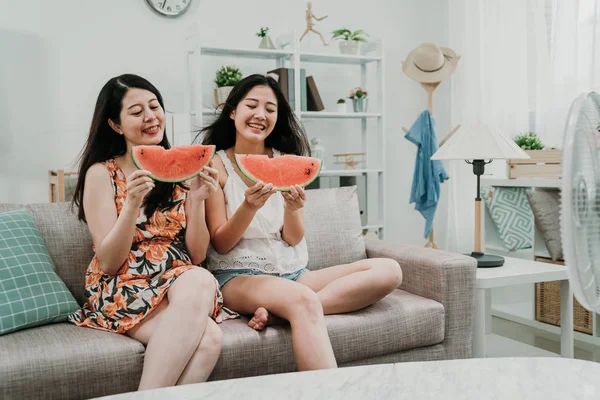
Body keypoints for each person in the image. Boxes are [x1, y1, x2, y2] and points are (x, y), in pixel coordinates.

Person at [200, 74, 403, 371]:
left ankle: (281, 313)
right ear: (233, 111)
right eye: (252, 105)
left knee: (390, 270)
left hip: (294, 273)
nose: (260, 115)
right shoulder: (215, 165)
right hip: (237, 276)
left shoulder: (288, 162)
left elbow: (293, 239)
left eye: (270, 109)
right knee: (303, 300)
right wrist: (248, 207)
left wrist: (294, 210)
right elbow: (220, 241)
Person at [68, 73, 234, 390]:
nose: (150, 117)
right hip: (122, 284)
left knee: (205, 308)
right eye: (136, 111)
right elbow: (108, 262)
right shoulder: (102, 174)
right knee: (209, 333)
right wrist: (130, 205)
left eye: (154, 106)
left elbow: (197, 254)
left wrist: (197, 199)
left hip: (178, 283)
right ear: (115, 125)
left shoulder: (180, 171)